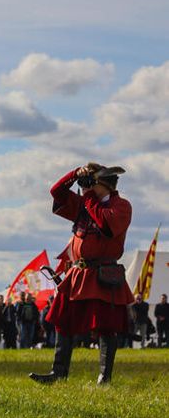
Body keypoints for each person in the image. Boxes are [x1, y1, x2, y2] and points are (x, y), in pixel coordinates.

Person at [31, 163, 133, 385]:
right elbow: (56, 192)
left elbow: (106, 225)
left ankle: (104, 378)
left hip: (103, 274)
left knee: (106, 327)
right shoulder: (86, 203)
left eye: (90, 183)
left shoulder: (121, 206)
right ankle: (58, 373)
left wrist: (88, 197)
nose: (85, 188)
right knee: (63, 320)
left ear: (103, 185)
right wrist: (75, 174)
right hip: (78, 273)